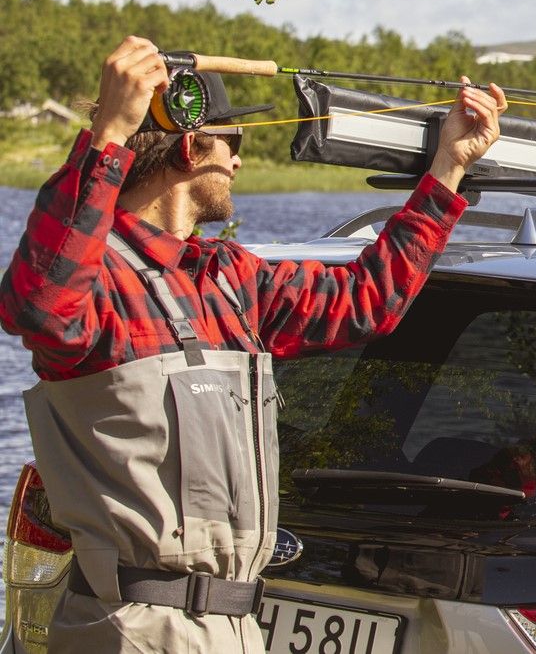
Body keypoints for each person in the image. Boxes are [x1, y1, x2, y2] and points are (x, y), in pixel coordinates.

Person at [0, 36, 506, 653]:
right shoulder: (99, 281)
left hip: (232, 627)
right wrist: (108, 133)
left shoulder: (229, 277)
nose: (239, 162)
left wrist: (448, 167)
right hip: (132, 627)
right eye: (232, 143)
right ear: (190, 146)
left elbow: (367, 300)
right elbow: (36, 304)